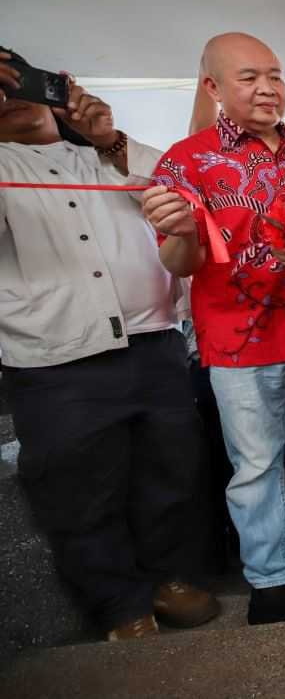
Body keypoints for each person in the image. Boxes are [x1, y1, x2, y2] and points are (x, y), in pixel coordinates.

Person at [0, 48, 219, 641]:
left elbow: (186, 195)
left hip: (154, 342)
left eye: (22, 80)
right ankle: (119, 605)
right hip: (56, 360)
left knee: (172, 471)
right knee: (78, 490)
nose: (11, 94)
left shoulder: (108, 154)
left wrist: (108, 138)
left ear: (59, 88)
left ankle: (173, 577)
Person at [145, 33, 285, 626]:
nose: (267, 88)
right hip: (238, 340)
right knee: (256, 463)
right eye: (248, 77)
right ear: (212, 87)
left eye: (276, 75)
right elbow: (177, 263)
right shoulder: (184, 160)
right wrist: (181, 230)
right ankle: (268, 573)